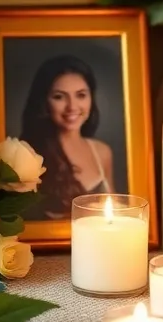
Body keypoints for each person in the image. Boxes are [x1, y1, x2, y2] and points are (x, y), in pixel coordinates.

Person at [20, 54, 116, 219]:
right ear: (44, 102)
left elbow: (114, 215)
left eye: (81, 95)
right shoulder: (27, 156)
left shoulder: (102, 152)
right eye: (59, 97)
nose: (72, 107)